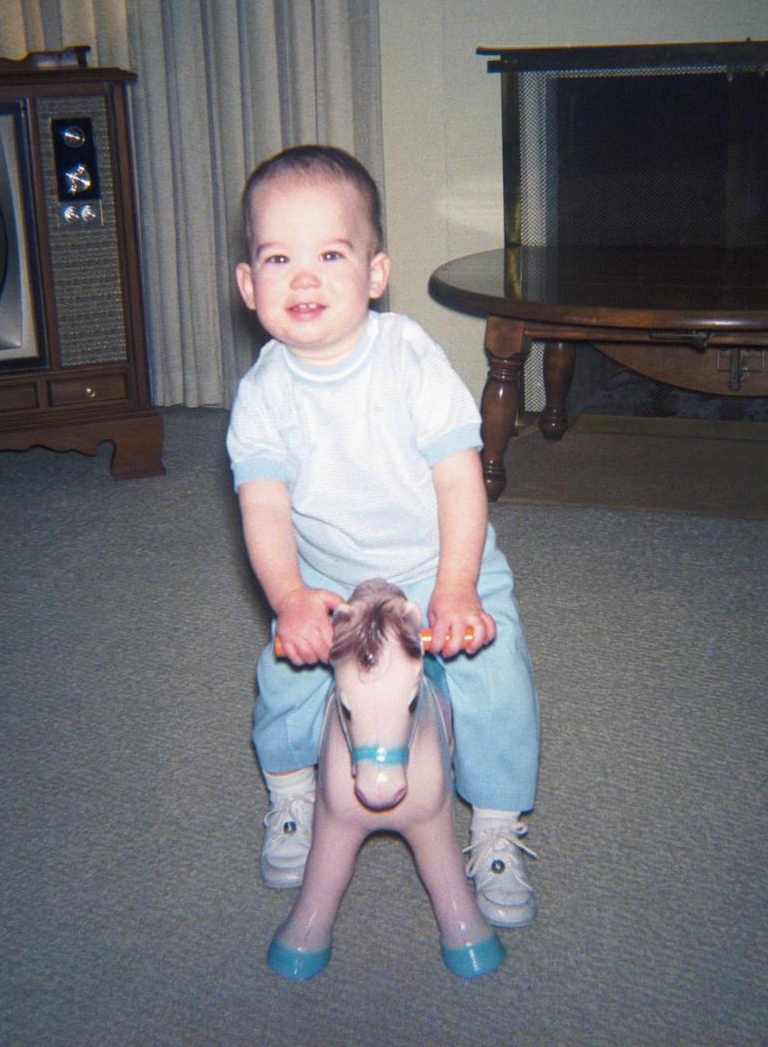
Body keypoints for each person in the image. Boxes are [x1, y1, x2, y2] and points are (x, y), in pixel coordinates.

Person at [226, 144, 540, 927]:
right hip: (330, 583)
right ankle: (293, 791)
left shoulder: (408, 360)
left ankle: (499, 825)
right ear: (247, 285)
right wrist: (292, 598)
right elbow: (263, 508)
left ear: (374, 275)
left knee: (496, 677)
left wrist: (459, 585)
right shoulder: (263, 395)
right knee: (285, 677)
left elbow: (458, 478)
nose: (303, 277)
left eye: (331, 253)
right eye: (278, 258)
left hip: (441, 562)